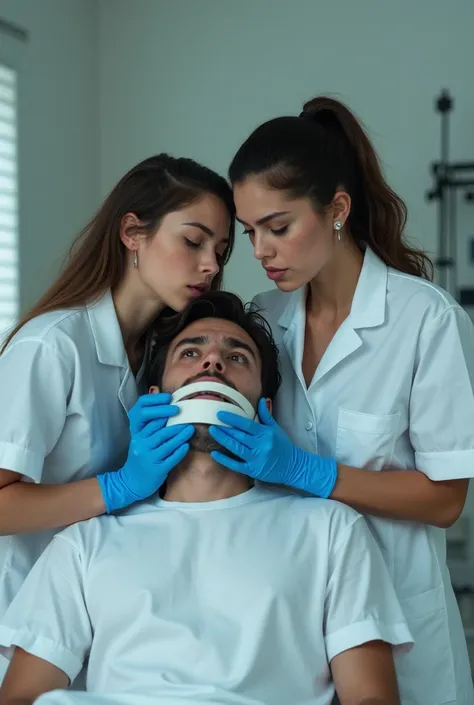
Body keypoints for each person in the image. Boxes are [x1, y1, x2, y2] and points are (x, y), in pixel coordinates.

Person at [0, 291, 412, 705]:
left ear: (263, 406)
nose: (212, 362)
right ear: (155, 396)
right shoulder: (84, 543)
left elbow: (371, 697)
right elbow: (20, 696)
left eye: (237, 358)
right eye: (190, 353)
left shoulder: (330, 531)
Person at [206, 96, 474, 705]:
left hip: (399, 622)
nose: (260, 252)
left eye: (278, 227)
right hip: (291, 613)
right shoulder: (265, 320)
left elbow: (445, 500)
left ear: (337, 210)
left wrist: (309, 472)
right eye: (250, 233)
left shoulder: (424, 321)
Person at [0, 154, 235, 682]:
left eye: (220, 251)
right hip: (20, 627)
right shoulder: (53, 348)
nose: (211, 266)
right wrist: (119, 487)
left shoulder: (160, 356)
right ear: (133, 232)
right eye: (193, 241)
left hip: (105, 627)